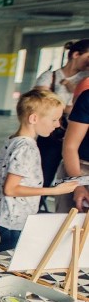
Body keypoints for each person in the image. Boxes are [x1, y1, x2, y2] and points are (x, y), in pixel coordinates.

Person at [0, 90, 78, 251]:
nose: (58, 125)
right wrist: (54, 191)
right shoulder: (26, 147)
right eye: (54, 119)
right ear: (34, 118)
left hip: (2, 218)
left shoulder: (14, 140)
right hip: (12, 221)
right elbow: (10, 188)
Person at [33, 39, 89, 194]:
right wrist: (68, 107)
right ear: (76, 55)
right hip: (53, 135)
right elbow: (38, 103)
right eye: (87, 58)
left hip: (78, 136)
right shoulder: (50, 77)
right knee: (43, 176)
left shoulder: (85, 79)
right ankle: (36, 207)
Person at [58, 77, 89, 213]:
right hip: (80, 168)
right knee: (68, 229)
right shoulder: (87, 98)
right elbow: (70, 146)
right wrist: (77, 185)